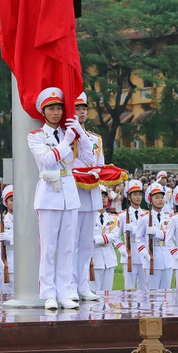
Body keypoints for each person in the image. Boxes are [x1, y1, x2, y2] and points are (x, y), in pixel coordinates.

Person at [28, 87, 90, 310]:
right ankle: (49, 294)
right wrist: (67, 142)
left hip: (69, 193)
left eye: (59, 108)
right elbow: (47, 160)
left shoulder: (69, 132)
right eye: (51, 108)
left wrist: (80, 135)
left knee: (67, 247)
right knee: (49, 248)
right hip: (48, 195)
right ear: (43, 111)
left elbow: (89, 157)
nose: (56, 113)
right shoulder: (36, 136)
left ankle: (65, 291)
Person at [71, 91, 104, 301]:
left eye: (84, 108)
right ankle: (71, 285)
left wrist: (97, 174)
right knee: (71, 245)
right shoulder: (66, 136)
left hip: (90, 195)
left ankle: (82, 284)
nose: (81, 112)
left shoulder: (96, 139)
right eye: (77, 108)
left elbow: (100, 165)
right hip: (73, 193)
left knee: (86, 244)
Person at [116, 179, 148, 290]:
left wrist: (133, 230)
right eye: (135, 195)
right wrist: (123, 251)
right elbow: (116, 237)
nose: (138, 197)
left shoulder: (146, 214)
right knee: (129, 289)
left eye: (140, 194)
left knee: (144, 289)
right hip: (129, 254)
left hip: (143, 255)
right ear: (129, 197)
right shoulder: (122, 216)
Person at [142, 182, 174, 290]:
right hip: (152, 257)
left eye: (162, 197)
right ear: (150, 200)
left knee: (166, 293)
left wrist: (158, 233)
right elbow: (138, 239)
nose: (161, 200)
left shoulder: (170, 217)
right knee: (152, 293)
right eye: (157, 197)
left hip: (167, 258)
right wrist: (145, 253)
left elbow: (173, 237)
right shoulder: (144, 218)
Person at [91, 185, 120, 295]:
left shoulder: (113, 218)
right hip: (94, 259)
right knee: (94, 293)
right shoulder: (89, 217)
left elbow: (114, 236)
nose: (103, 198)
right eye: (100, 196)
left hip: (109, 259)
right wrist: (103, 238)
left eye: (105, 196)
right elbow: (87, 238)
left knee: (108, 294)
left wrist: (96, 239)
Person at [0, 185, 14, 295]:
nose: (14, 203)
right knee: (8, 296)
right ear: (6, 203)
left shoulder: (27, 220)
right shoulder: (1, 222)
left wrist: (10, 238)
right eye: (11, 200)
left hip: (25, 265)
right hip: (9, 264)